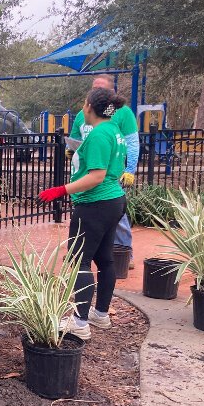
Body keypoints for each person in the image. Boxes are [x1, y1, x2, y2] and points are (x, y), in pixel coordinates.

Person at [39, 87, 127, 340]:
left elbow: (97, 176)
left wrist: (61, 190)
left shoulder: (100, 134)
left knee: (80, 261)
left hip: (95, 204)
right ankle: (99, 314)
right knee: (105, 259)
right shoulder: (114, 131)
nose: (82, 108)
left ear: (90, 106)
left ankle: (79, 321)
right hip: (113, 201)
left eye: (84, 104)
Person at [69, 74, 139, 268]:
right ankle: (99, 251)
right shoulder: (85, 114)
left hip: (106, 176)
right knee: (100, 228)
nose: (95, 90)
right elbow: (76, 138)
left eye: (100, 87)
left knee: (110, 214)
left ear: (111, 91)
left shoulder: (120, 115)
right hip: (88, 171)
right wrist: (72, 151)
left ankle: (124, 251)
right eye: (94, 87)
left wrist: (130, 169)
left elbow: (132, 142)